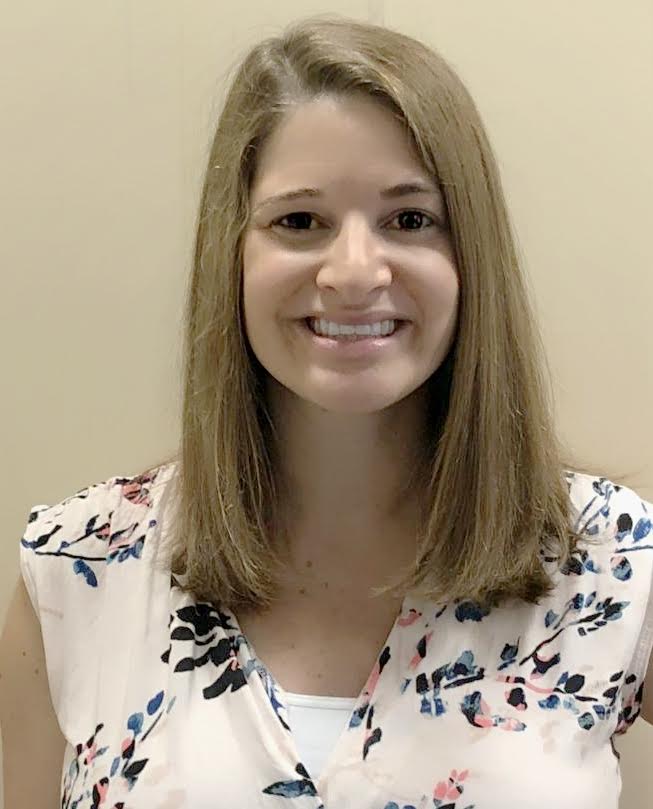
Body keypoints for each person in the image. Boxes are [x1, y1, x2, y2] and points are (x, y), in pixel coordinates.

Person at [2, 13, 652, 809]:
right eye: (299, 221)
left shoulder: (613, 561)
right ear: (232, 251)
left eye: (408, 219)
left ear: (468, 254)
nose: (352, 271)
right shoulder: (80, 567)